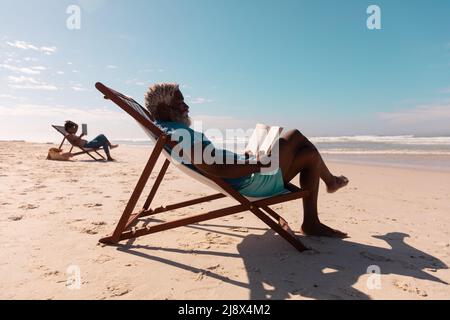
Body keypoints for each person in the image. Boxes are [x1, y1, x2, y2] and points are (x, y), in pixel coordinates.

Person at [144, 84, 349, 238]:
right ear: (163, 108)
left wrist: (248, 159)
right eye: (180, 103)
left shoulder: (167, 129)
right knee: (294, 135)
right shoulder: (177, 133)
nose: (186, 106)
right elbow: (213, 166)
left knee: (309, 156)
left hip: (248, 173)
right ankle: (331, 182)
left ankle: (312, 221)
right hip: (251, 181)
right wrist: (257, 164)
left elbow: (211, 160)